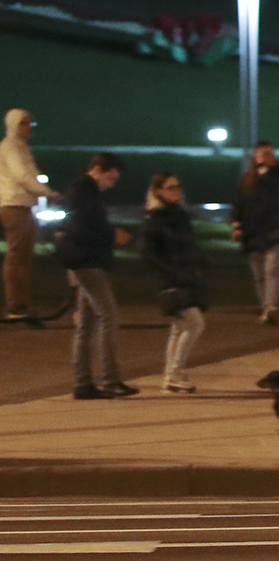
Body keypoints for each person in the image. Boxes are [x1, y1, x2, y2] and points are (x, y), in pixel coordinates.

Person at [57, 153, 134, 399]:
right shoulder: (83, 192)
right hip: (88, 264)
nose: (111, 184)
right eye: (110, 178)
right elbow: (81, 229)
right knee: (109, 318)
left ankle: (83, 384)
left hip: (83, 263)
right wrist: (113, 237)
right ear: (98, 169)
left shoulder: (82, 191)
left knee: (86, 326)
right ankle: (111, 380)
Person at [140, 173, 208, 394]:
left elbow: (189, 247)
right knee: (195, 323)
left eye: (177, 186)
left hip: (187, 276)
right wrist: (170, 274)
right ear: (158, 191)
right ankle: (174, 373)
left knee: (179, 327)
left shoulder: (179, 215)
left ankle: (171, 375)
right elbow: (149, 253)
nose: (176, 191)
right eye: (170, 187)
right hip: (172, 278)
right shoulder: (155, 218)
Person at [0, 109, 61, 320]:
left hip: (23, 205)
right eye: (26, 124)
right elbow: (23, 176)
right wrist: (48, 192)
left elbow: (29, 176)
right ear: (15, 125)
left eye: (31, 124)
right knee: (17, 255)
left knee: (24, 256)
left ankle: (22, 304)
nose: (29, 127)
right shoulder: (11, 148)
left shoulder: (20, 147)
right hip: (14, 205)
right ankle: (15, 305)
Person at [231, 141, 279, 324]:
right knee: (258, 273)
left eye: (270, 153)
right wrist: (236, 225)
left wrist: (271, 166)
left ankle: (271, 307)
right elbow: (239, 203)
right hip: (253, 232)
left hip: (275, 230)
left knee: (271, 270)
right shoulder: (247, 179)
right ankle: (265, 305)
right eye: (262, 153)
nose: (266, 156)